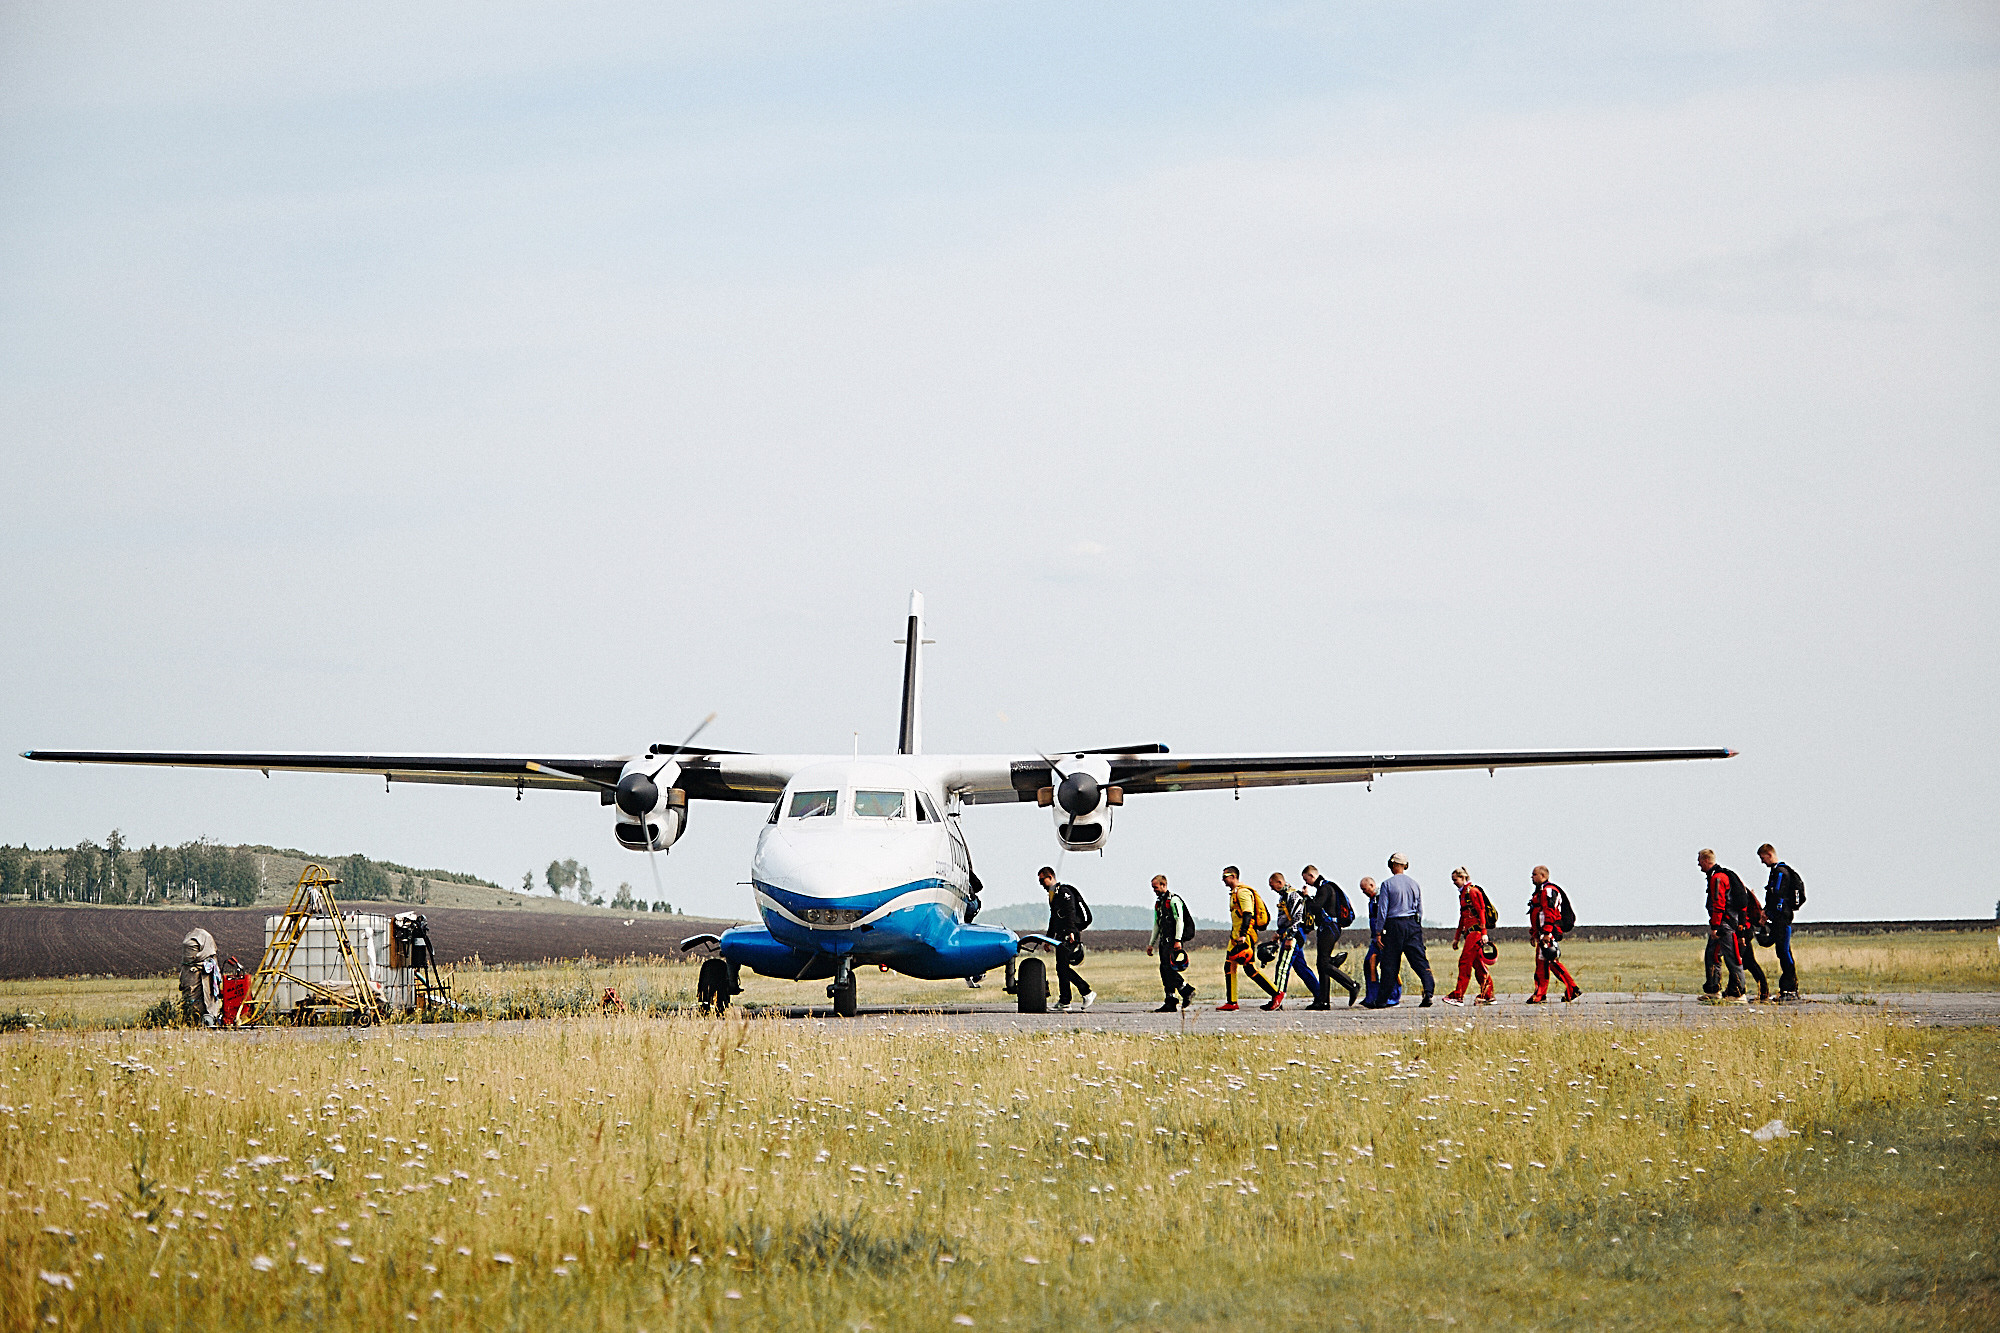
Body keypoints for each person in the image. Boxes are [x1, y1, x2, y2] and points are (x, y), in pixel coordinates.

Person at [1364, 854, 1434, 1008]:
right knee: (1419, 961)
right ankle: (1429, 992)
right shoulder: (1414, 884)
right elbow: (1420, 909)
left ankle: (1381, 1000)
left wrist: (1378, 932)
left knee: (1389, 964)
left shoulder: (1387, 885)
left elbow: (1382, 911)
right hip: (1412, 925)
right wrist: (1416, 926)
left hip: (1394, 925)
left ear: (1393, 865)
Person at [1697, 849, 1763, 1004]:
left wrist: (1715, 926)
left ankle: (1738, 992)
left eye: (1699, 861)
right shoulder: (1722, 875)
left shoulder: (1718, 878)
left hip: (1724, 925)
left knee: (1732, 957)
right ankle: (1713, 990)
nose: (1698, 864)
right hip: (1726, 924)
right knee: (1711, 955)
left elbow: (1719, 904)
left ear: (1706, 860)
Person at [1218, 865, 1278, 1011]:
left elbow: (1248, 913)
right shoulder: (1234, 893)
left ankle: (1276, 994)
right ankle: (1232, 1002)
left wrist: (1243, 934)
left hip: (1245, 937)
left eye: (1225, 877)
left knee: (1250, 969)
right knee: (1229, 966)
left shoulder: (1243, 892)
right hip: (1235, 937)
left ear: (1233, 876)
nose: (1223, 880)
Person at [1302, 865, 1360, 1009]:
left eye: (1306, 879)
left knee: (1324, 963)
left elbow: (1315, 907)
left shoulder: (1325, 888)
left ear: (1312, 875)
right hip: (1328, 928)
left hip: (1329, 928)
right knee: (1322, 963)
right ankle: (1324, 1001)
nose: (1306, 882)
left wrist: (1306, 897)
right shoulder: (1325, 887)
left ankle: (1352, 985)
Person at [1039, 866, 1094, 1012]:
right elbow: (1054, 919)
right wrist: (1048, 939)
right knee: (1061, 968)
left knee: (1062, 968)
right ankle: (1065, 1001)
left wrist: (1071, 932)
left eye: (1042, 880)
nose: (1041, 884)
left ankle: (1086, 992)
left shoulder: (1064, 892)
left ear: (1050, 877)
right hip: (1061, 935)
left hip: (1068, 935)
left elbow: (1070, 912)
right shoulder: (1054, 895)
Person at [1261, 873, 1317, 1013]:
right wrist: (1278, 933)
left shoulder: (1293, 895)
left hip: (1294, 934)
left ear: (1280, 882)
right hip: (1287, 933)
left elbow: (1297, 917)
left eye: (1272, 885)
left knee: (1282, 966)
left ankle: (1277, 998)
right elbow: (1285, 918)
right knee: (1301, 968)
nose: (1271, 888)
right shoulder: (1283, 896)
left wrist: (1290, 937)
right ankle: (1320, 994)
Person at [1525, 866, 1581, 1003]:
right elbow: (1537, 914)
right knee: (1545, 963)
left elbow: (1550, 913)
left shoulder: (1548, 891)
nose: (1532, 877)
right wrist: (1534, 933)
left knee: (1548, 962)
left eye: (1534, 874)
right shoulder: (1540, 892)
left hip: (1548, 933)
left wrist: (1547, 932)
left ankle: (1569, 988)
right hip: (1542, 933)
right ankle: (1542, 993)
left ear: (1543, 876)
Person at [1443, 868, 1497, 1005]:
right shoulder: (1463, 895)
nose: (1454, 883)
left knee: (1464, 962)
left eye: (1455, 879)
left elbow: (1481, 911)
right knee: (1477, 964)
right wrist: (1457, 937)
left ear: (1462, 878)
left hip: (1476, 933)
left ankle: (1458, 995)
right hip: (1469, 934)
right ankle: (1488, 994)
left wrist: (1484, 933)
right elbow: (1462, 917)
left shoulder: (1472, 892)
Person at [1758, 844, 1806, 1000]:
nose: (1762, 862)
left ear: (1769, 854)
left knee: (1784, 952)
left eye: (1763, 858)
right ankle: (1787, 989)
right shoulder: (1776, 871)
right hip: (1778, 917)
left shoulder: (1780, 872)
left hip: (1782, 918)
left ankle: (1790, 989)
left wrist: (1769, 912)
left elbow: (1777, 895)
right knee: (1781, 951)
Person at [1145, 874, 1197, 1012]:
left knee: (1168, 968)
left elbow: (1179, 920)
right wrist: (1151, 944)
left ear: (1163, 885)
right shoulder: (1159, 903)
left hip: (1174, 941)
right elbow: (1157, 924)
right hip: (1164, 940)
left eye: (1155, 887)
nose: (1154, 890)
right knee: (1164, 969)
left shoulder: (1174, 900)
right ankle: (1171, 999)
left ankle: (1185, 990)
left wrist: (1178, 940)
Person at [1357, 877, 1402, 1007]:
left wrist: (1381, 934)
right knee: (1369, 964)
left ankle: (1393, 997)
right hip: (1375, 938)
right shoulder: (1372, 900)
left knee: (1389, 966)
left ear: (1372, 885)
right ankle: (1372, 996)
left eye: (1364, 889)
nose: (1363, 892)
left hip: (1385, 938)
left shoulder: (1382, 897)